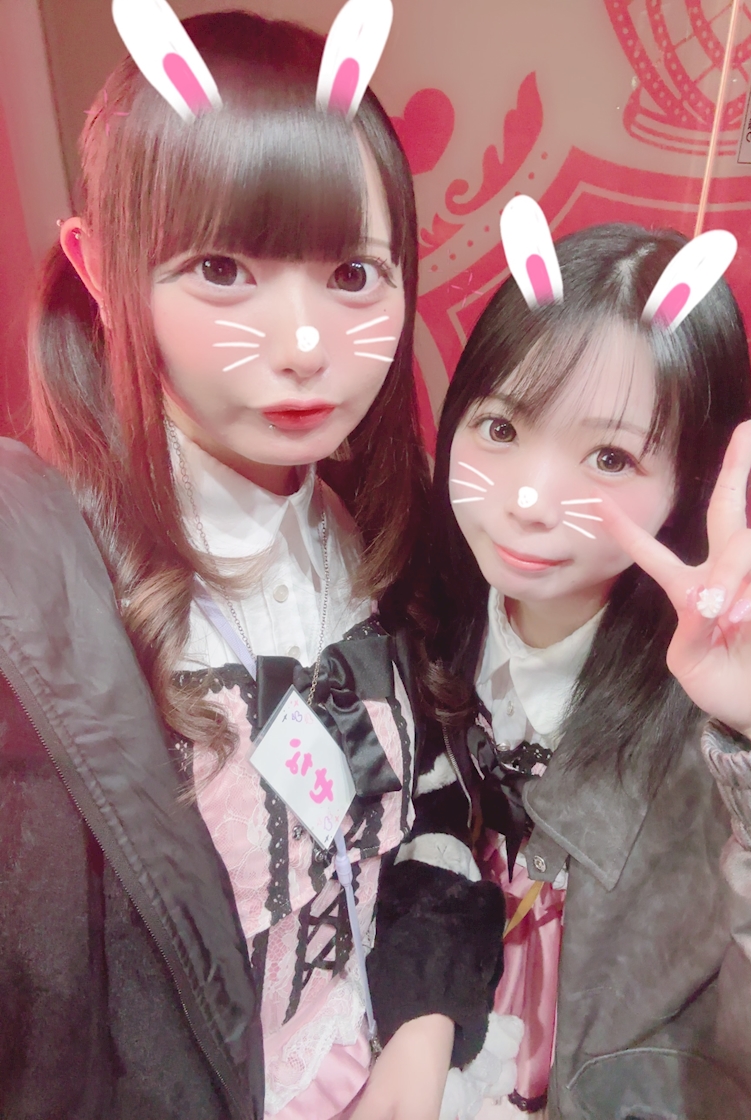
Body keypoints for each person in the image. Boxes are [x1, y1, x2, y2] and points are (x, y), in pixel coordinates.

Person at [2, 10, 503, 1119]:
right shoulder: (46, 611)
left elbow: (426, 818)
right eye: (222, 268)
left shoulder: (385, 530)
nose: (305, 346)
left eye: (354, 273)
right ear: (99, 269)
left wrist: (418, 1044)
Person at [429, 221, 751, 1119]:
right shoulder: (406, 625)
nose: (530, 502)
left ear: (688, 481)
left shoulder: (748, 714)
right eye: (501, 426)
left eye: (610, 457)